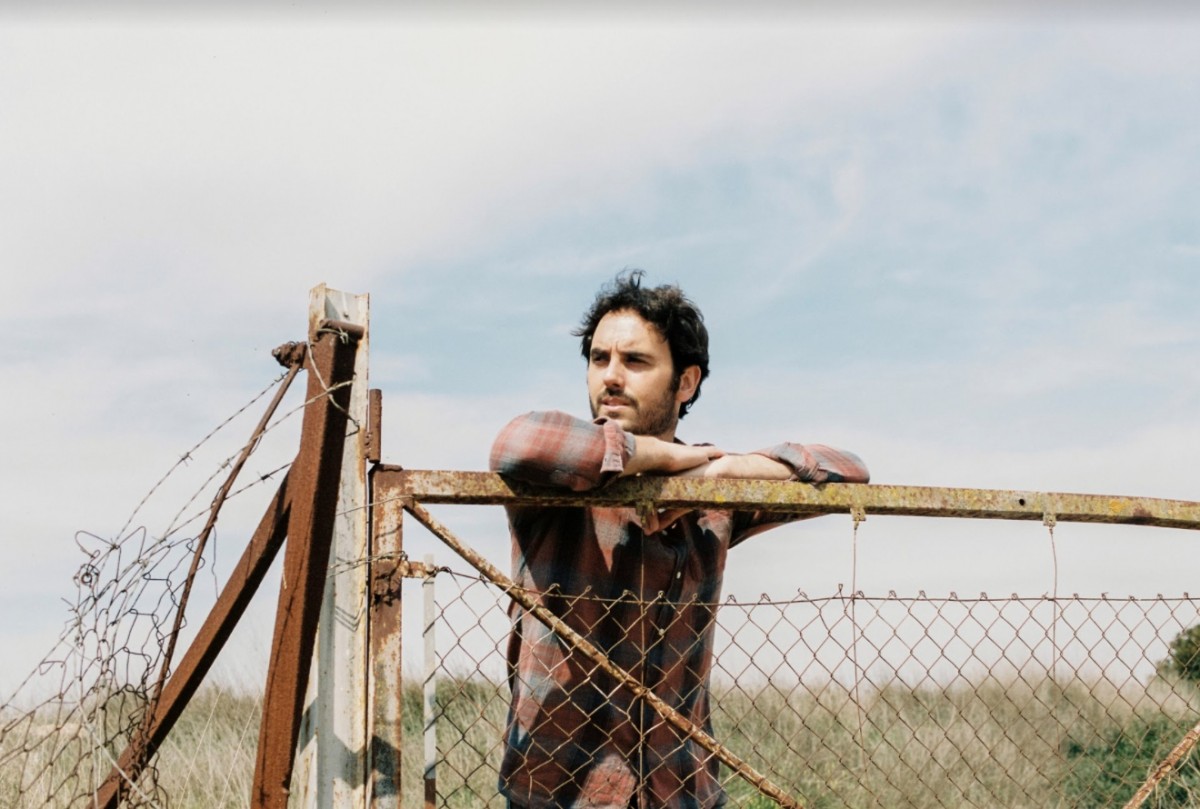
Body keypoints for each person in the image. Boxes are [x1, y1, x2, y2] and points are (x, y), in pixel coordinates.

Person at [490, 272, 869, 809]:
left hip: (682, 790)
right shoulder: (557, 480)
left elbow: (849, 470)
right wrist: (666, 458)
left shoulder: (712, 496)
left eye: (635, 361)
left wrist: (728, 468)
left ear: (686, 382)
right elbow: (517, 443)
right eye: (599, 359)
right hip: (561, 791)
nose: (610, 377)